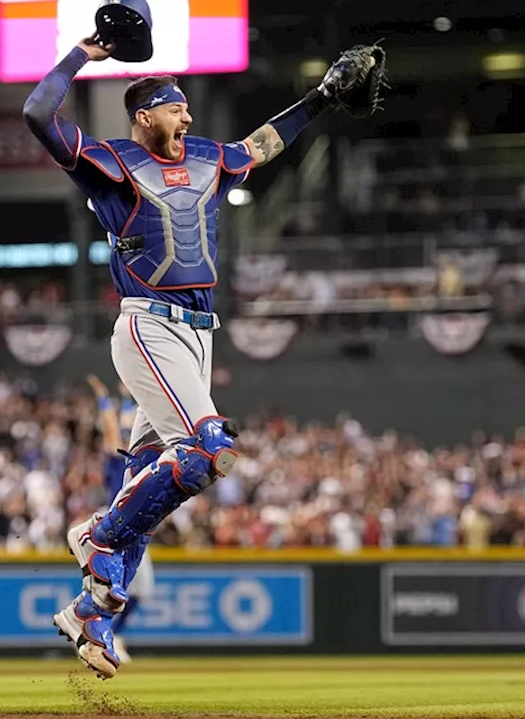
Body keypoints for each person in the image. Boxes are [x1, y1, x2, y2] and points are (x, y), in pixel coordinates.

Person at [23, 32, 374, 680]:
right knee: (211, 452)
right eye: (174, 106)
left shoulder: (213, 158)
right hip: (149, 327)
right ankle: (98, 535)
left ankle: (89, 613)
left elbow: (264, 143)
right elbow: (38, 114)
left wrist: (321, 100)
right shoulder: (114, 162)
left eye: (187, 106)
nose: (187, 115)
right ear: (144, 115)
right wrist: (82, 54)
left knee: (153, 479)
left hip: (197, 335)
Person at [86, 374, 153, 665]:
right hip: (119, 523)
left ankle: (105, 634)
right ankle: (102, 635)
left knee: (132, 590)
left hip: (133, 525)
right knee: (120, 588)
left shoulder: (142, 457)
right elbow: (114, 429)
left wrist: (128, 396)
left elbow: (129, 424)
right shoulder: (117, 458)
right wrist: (104, 397)